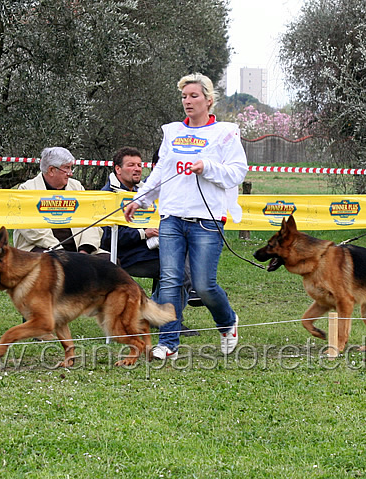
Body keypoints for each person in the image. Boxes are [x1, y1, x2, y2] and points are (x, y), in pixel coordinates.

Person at [124, 73, 248, 359]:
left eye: (194, 96)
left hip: (207, 220)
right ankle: (169, 344)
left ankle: (227, 322)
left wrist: (208, 166)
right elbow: (161, 172)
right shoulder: (172, 132)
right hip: (171, 218)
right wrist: (139, 200)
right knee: (170, 281)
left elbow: (237, 172)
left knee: (204, 285)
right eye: (184, 97)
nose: (188, 101)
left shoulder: (225, 133)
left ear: (208, 99)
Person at [100, 146, 199, 336]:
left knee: (180, 255)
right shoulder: (109, 194)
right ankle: (168, 317)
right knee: (174, 266)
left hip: (149, 249)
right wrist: (144, 233)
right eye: (131, 165)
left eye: (139, 165)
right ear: (117, 169)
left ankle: (163, 315)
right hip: (121, 254)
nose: (137, 169)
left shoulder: (144, 192)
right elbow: (108, 236)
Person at [13, 147, 108, 258]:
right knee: (55, 264)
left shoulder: (77, 187)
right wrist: (59, 249)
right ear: (51, 170)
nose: (70, 173)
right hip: (42, 248)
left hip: (78, 249)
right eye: (66, 168)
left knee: (109, 262)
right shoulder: (26, 190)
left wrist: (85, 249)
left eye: (71, 168)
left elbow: (91, 219)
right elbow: (31, 228)